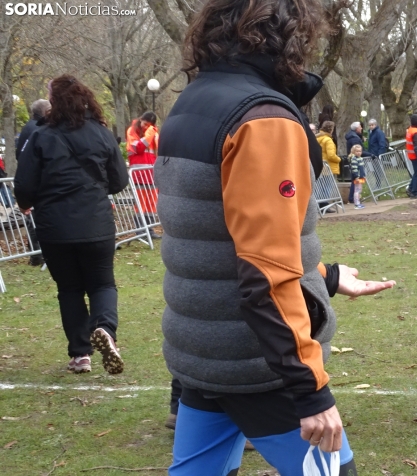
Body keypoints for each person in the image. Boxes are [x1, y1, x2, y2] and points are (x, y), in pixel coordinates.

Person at [154, 1, 395, 474]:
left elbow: (215, 239)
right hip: (256, 364)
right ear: (289, 35)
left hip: (204, 354)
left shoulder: (192, 100)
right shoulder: (262, 118)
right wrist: (310, 391)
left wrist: (324, 277)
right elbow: (264, 271)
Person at [13, 74, 128, 375]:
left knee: (70, 289)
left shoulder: (41, 136)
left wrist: (25, 203)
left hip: (55, 226)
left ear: (53, 102)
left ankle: (81, 354)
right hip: (95, 223)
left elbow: (24, 183)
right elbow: (119, 180)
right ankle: (106, 328)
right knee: (102, 282)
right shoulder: (102, 134)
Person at [16, 99, 51, 267]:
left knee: (35, 218)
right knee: (35, 218)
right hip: (38, 180)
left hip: (35, 178)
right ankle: (37, 253)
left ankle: (37, 253)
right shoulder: (37, 129)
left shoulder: (29, 127)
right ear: (44, 112)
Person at [126, 111, 161, 240]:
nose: (146, 127)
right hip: (139, 173)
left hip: (151, 172)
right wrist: (149, 134)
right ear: (141, 120)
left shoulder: (152, 133)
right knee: (141, 203)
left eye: (149, 125)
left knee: (151, 203)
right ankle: (141, 230)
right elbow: (138, 148)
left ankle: (149, 230)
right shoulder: (132, 131)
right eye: (145, 124)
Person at [405, 114, 417, 199]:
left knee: (416, 174)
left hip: (412, 155)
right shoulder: (416, 132)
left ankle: (410, 188)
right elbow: (416, 147)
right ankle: (414, 192)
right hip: (416, 156)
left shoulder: (410, 130)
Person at [349, 144, 366, 210]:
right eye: (357, 151)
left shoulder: (360, 159)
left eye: (360, 151)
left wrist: (363, 175)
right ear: (354, 152)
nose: (359, 153)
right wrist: (356, 177)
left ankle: (358, 202)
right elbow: (354, 169)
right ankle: (356, 203)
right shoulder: (354, 159)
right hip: (357, 177)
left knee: (359, 190)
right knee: (357, 190)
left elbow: (362, 169)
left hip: (361, 177)